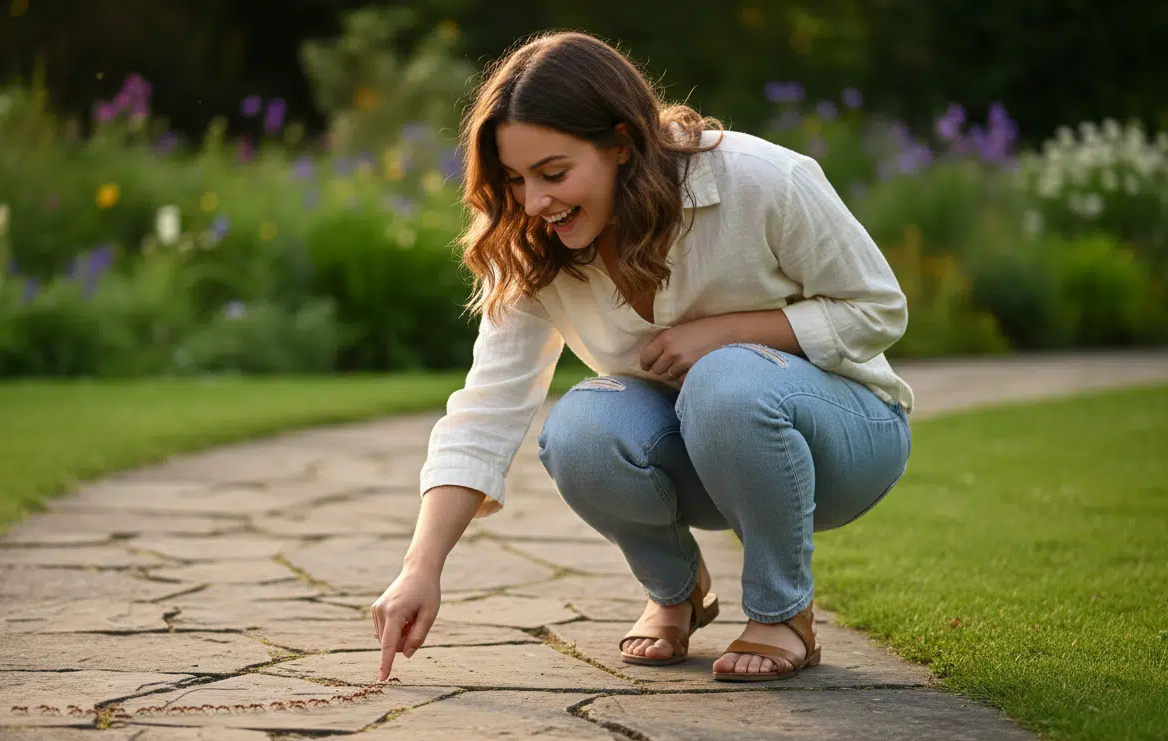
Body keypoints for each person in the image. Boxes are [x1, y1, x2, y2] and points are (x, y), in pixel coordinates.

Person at [370, 30, 912, 684]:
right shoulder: (532, 244)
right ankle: (676, 591)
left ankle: (782, 613)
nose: (534, 203)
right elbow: (486, 412)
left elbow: (880, 309)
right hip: (707, 460)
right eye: (515, 180)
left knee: (725, 379)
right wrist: (419, 570)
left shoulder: (764, 180)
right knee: (579, 428)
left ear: (621, 146)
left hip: (848, 442)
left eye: (553, 172)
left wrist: (727, 332)